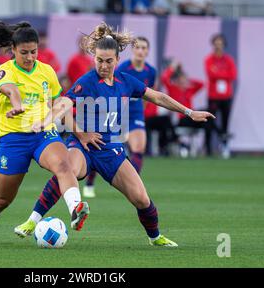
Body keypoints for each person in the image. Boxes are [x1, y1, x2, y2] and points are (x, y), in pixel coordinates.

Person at [14, 22, 215, 246]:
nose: (103, 65)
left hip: (111, 150)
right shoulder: (87, 81)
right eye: (99, 60)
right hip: (84, 147)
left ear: (117, 60)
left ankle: (155, 237)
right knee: (67, 170)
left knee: (141, 198)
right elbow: (63, 103)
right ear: (94, 58)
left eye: (109, 61)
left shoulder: (126, 82)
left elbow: (157, 96)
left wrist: (189, 112)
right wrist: (47, 121)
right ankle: (33, 221)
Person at [0, 20, 90, 243]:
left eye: (34, 52)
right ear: (13, 50)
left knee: (63, 164)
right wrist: (17, 103)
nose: (30, 58)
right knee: (2, 199)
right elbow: (10, 90)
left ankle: (76, 208)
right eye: (24, 53)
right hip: (13, 139)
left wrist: (79, 132)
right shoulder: (6, 70)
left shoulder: (47, 71)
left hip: (43, 134)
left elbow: (60, 104)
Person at [84, 36, 157, 198]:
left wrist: (141, 109)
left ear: (147, 51)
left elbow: (150, 93)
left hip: (136, 112)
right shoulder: (123, 68)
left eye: (144, 48)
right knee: (102, 147)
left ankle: (133, 186)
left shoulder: (151, 71)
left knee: (138, 148)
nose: (140, 51)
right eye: (137, 47)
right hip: (117, 112)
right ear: (132, 50)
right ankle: (89, 183)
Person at [161, 60, 205, 156]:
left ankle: (206, 147)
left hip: (192, 118)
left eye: (184, 79)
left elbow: (201, 84)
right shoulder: (173, 89)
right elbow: (164, 79)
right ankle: (181, 144)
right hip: (183, 119)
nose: (183, 81)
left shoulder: (189, 90)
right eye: (181, 79)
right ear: (177, 80)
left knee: (207, 117)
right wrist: (172, 68)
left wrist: (189, 81)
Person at [204, 34, 237, 158]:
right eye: (216, 43)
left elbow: (232, 75)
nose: (218, 46)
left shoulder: (228, 60)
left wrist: (219, 73)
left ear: (223, 45)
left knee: (225, 123)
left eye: (220, 43)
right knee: (209, 122)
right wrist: (223, 74)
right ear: (213, 45)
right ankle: (208, 149)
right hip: (213, 96)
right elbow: (210, 74)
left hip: (226, 96)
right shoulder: (209, 59)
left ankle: (224, 147)